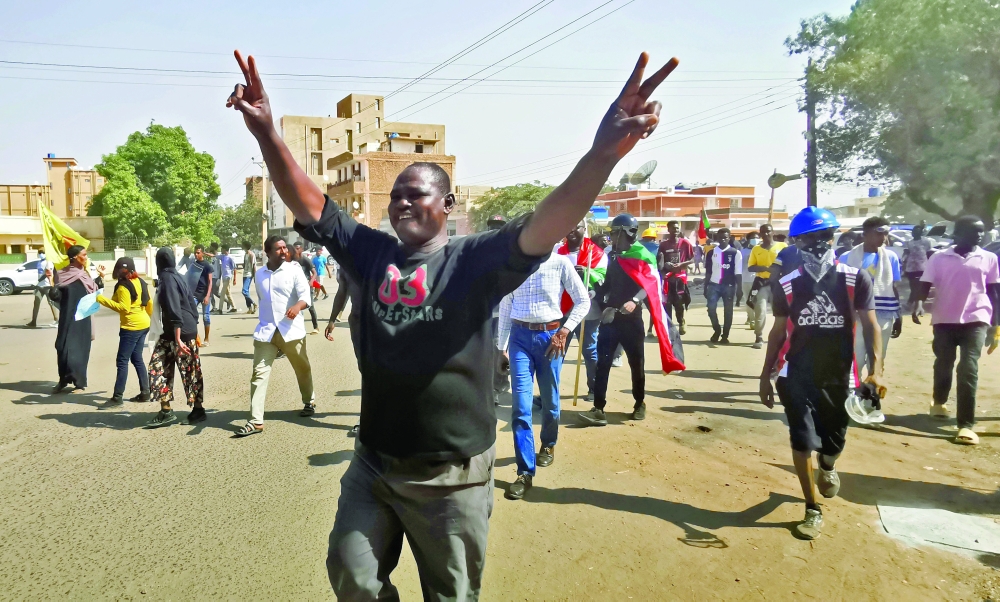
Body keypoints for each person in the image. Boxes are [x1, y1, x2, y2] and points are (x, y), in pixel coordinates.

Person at [228, 47, 676, 599]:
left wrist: (604, 153)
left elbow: (547, 220)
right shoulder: (370, 254)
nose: (400, 204)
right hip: (375, 462)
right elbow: (314, 204)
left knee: (452, 595)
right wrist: (268, 134)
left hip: (452, 474)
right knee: (351, 574)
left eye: (415, 194)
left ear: (447, 203)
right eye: (394, 197)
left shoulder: (474, 260)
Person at [759, 207, 883, 541]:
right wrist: (765, 375)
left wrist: (877, 371)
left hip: (840, 376)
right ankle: (812, 508)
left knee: (833, 443)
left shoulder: (855, 278)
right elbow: (778, 330)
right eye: (811, 238)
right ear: (798, 242)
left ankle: (827, 465)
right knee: (801, 441)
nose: (819, 243)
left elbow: (870, 324)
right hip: (795, 373)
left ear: (834, 237)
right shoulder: (786, 283)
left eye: (825, 236)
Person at [497, 253, 589, 500]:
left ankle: (548, 442)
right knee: (521, 408)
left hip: (551, 338)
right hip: (519, 339)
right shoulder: (513, 264)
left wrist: (565, 331)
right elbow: (506, 305)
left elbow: (583, 300)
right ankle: (525, 472)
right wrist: (500, 347)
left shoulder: (560, 263)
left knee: (550, 401)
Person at [579, 213, 685, 426]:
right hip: (610, 318)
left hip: (632, 320)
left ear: (627, 232)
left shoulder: (642, 254)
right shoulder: (612, 256)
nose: (612, 238)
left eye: (615, 233)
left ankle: (639, 403)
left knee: (637, 364)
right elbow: (607, 284)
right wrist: (593, 290)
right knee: (603, 364)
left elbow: (650, 284)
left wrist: (635, 300)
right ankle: (598, 407)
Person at [912, 215, 1000, 446]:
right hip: (944, 320)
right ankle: (939, 401)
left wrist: (996, 324)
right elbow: (925, 284)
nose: (980, 235)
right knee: (944, 362)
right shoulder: (939, 258)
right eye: (974, 231)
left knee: (968, 368)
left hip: (976, 319)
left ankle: (966, 425)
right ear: (959, 233)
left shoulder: (988, 258)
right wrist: (919, 303)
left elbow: (994, 292)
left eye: (981, 231)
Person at [235, 236, 316, 437]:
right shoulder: (259, 274)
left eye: (284, 248)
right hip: (266, 332)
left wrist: (297, 307)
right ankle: (256, 421)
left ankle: (309, 400)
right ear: (268, 253)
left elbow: (306, 296)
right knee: (258, 375)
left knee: (302, 368)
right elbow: (264, 301)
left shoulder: (294, 270)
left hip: (291, 331)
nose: (283, 251)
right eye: (278, 249)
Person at [839, 217, 902, 403]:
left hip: (883, 314)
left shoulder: (890, 257)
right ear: (865, 234)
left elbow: (893, 286)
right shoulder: (847, 258)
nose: (883, 237)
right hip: (856, 315)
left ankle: (870, 402)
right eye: (879, 233)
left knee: (877, 359)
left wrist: (897, 315)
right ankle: (850, 400)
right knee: (855, 359)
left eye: (885, 233)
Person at [146, 247, 206, 428]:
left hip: (179, 332)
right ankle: (166, 410)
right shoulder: (177, 276)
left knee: (189, 371)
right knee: (159, 366)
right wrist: (193, 329)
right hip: (177, 331)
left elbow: (173, 307)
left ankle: (198, 409)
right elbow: (191, 305)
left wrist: (179, 339)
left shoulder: (167, 278)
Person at [557, 221, 607, 402]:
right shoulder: (557, 252)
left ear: (584, 229)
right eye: (569, 226)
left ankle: (594, 389)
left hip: (588, 310)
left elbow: (602, 277)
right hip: (562, 310)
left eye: (576, 226)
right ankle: (551, 390)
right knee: (557, 349)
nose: (571, 229)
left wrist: (587, 272)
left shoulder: (597, 253)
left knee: (589, 350)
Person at [95, 258, 153, 408]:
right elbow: (149, 302)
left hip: (131, 327)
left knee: (122, 361)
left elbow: (124, 308)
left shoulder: (123, 287)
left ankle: (117, 397)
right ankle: (146, 392)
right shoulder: (139, 281)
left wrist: (100, 299)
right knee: (137, 358)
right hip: (143, 323)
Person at [51, 245, 99, 393]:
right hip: (67, 316)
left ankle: (80, 382)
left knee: (81, 348)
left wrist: (101, 278)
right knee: (62, 347)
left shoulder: (85, 274)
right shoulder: (61, 274)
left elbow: (94, 291)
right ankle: (63, 380)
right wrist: (51, 286)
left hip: (82, 318)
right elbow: (56, 297)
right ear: (74, 257)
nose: (86, 257)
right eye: (83, 255)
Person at [747, 224, 786, 349]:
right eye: (763, 232)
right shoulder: (756, 249)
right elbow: (750, 267)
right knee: (760, 309)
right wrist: (765, 268)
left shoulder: (783, 246)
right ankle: (759, 336)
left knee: (780, 310)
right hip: (762, 282)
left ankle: (781, 336)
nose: (766, 234)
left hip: (778, 283)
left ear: (773, 232)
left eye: (768, 231)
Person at [486, 214, 512, 405]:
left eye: (499, 226)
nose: (495, 229)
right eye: (492, 226)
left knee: (498, 348)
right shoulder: (480, 251)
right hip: (483, 311)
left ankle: (498, 385)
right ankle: (489, 386)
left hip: (504, 312)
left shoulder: (512, 253)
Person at [704, 228, 742, 344]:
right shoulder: (711, 252)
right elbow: (708, 271)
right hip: (714, 285)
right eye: (721, 237)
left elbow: (738, 272)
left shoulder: (735, 253)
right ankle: (717, 330)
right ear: (717, 239)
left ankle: (725, 335)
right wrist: (705, 286)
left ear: (729, 237)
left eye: (725, 237)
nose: (723, 239)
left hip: (729, 286)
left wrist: (739, 289)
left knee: (728, 311)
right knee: (711, 309)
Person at [657, 220, 694, 335]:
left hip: (680, 278)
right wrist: (666, 264)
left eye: (677, 228)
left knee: (679, 302)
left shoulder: (685, 243)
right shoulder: (663, 245)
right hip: (667, 279)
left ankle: (681, 321)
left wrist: (682, 265)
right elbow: (659, 261)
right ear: (668, 230)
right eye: (673, 228)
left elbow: (692, 259)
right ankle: (670, 327)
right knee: (667, 303)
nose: (676, 230)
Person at [902, 224, 933, 318]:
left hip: (922, 267)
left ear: (921, 233)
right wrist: (903, 262)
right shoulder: (909, 243)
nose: (914, 233)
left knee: (919, 287)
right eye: (913, 231)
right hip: (911, 268)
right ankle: (911, 304)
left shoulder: (926, 241)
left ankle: (914, 305)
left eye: (917, 231)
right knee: (913, 287)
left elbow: (929, 253)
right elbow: (906, 253)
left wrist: (931, 266)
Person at [292, 241, 320, 334]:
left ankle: (316, 327)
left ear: (301, 249)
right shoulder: (292, 260)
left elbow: (314, 273)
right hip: (296, 287)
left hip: (307, 286)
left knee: (311, 307)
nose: (296, 250)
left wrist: (311, 282)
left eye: (298, 248)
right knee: (295, 307)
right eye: (294, 248)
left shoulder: (305, 260)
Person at [28, 250, 59, 328]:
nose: (41, 254)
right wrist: (37, 283)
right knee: (36, 303)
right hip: (40, 286)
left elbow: (47, 273)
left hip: (48, 285)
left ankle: (57, 320)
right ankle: (33, 321)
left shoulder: (49, 262)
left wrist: (37, 281)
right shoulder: (39, 262)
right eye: (40, 253)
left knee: (51, 303)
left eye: (43, 252)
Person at [190, 244, 214, 346]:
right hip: (195, 294)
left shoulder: (207, 265)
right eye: (195, 252)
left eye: (198, 252)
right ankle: (195, 337)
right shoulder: (194, 265)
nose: (196, 254)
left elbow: (210, 282)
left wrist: (207, 296)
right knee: (191, 316)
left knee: (206, 317)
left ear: (202, 253)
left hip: (205, 294)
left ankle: (207, 338)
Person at [739, 231, 759, 330]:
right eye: (753, 238)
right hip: (746, 279)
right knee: (748, 301)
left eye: (757, 237)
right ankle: (752, 320)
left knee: (758, 302)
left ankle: (755, 319)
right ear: (748, 240)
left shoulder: (762, 251)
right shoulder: (743, 252)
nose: (756, 240)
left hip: (759, 280)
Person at [241, 241, 258, 314]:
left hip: (249, 274)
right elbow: (244, 264)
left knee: (244, 291)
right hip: (244, 274)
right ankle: (249, 308)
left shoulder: (251, 254)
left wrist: (255, 276)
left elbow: (254, 265)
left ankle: (254, 304)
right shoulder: (246, 254)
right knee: (246, 292)